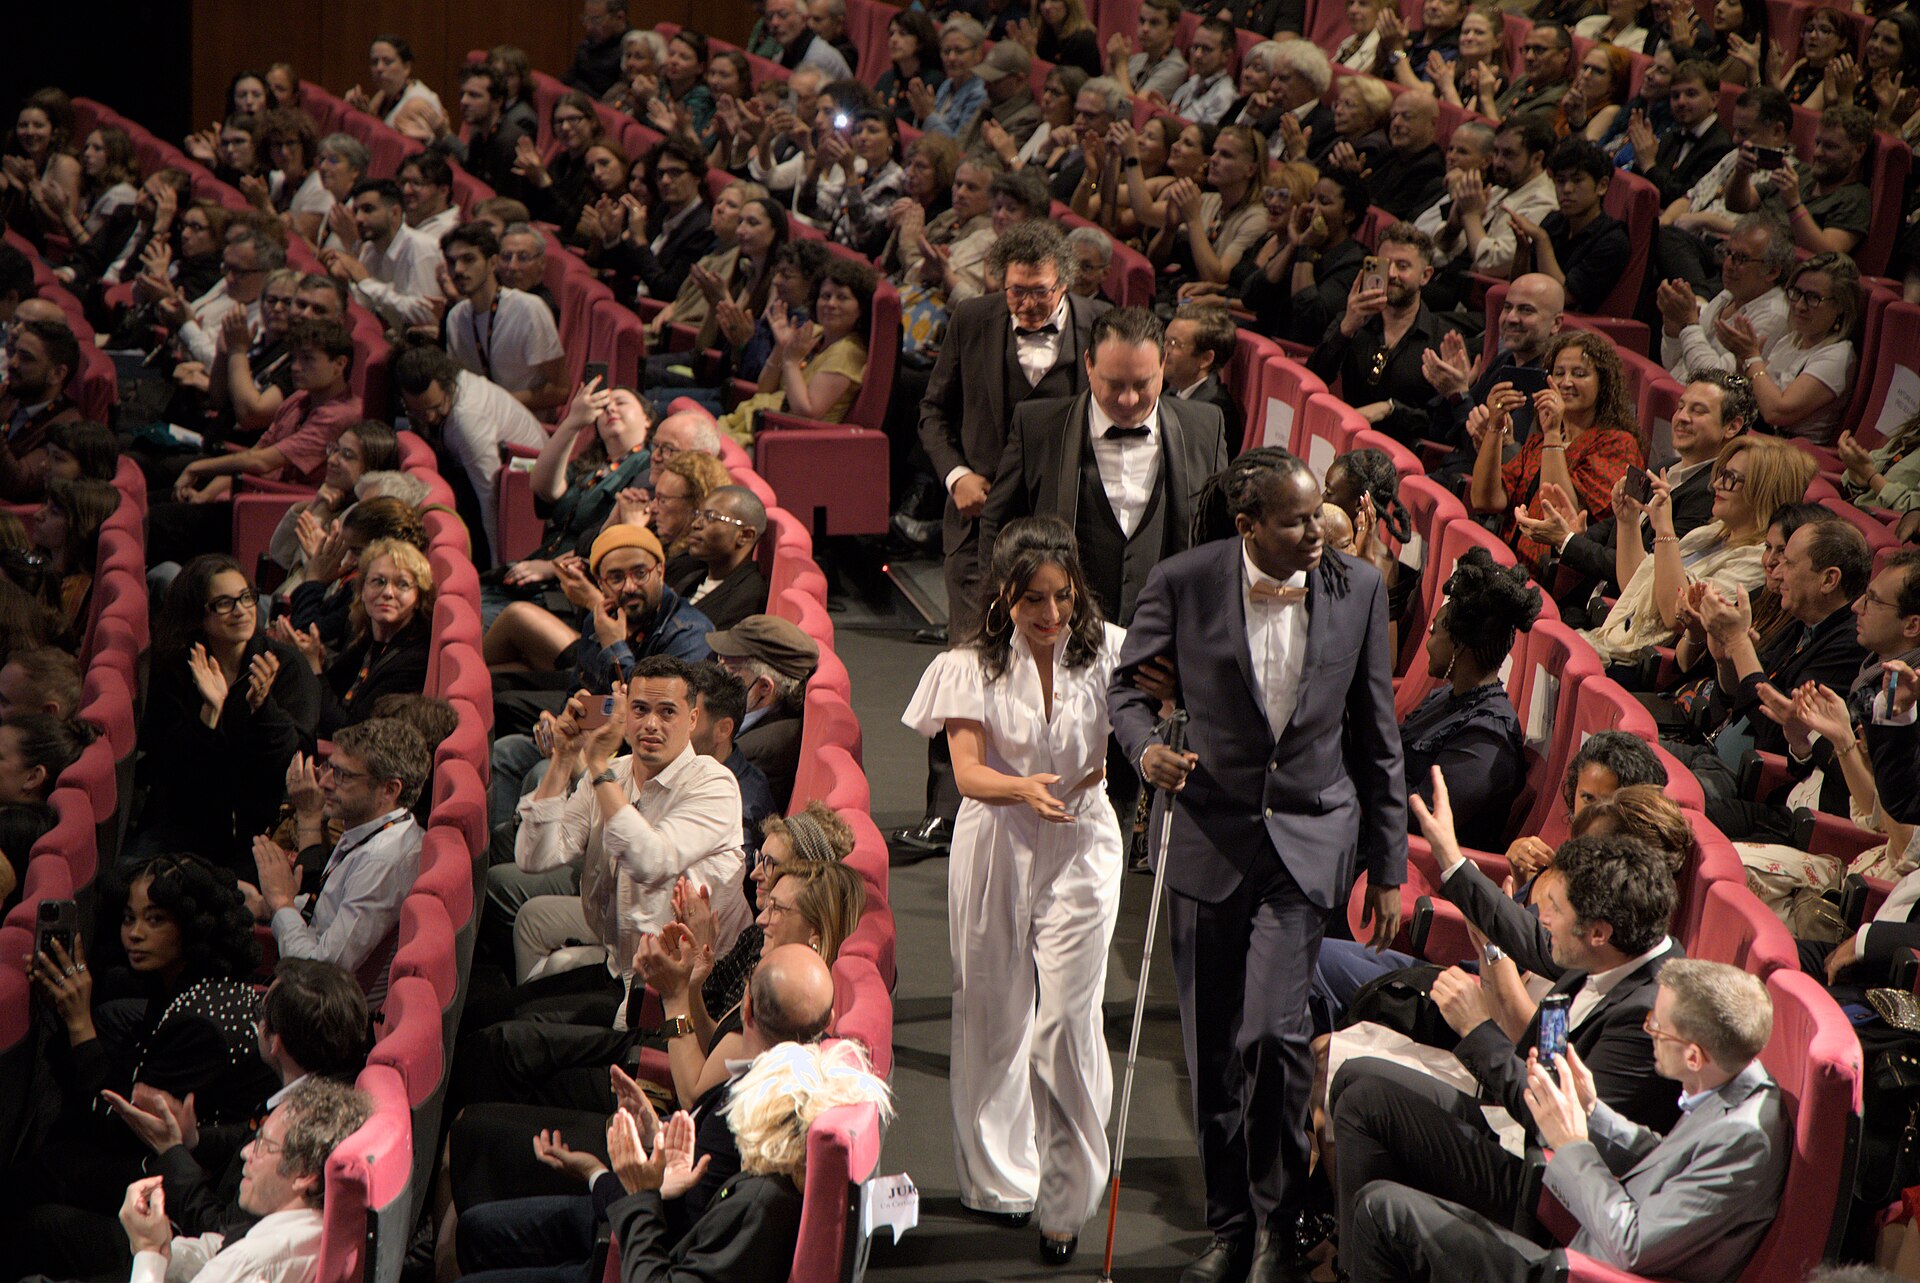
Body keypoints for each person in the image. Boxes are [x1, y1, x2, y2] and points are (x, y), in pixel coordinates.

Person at [1108, 447, 1405, 1283]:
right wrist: (1145, 751)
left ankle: (1279, 1224)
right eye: (1298, 520)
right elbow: (1125, 691)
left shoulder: (1359, 588)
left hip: (1308, 838)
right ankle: (1229, 1224)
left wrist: (1387, 865)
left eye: (1319, 516)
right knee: (1210, 1052)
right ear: (1248, 527)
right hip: (1208, 834)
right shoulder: (1184, 580)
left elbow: (1378, 737)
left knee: (1271, 1035)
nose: (1318, 532)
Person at [902, 517, 1126, 1265]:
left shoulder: (1112, 650)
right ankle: (1001, 1181)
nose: (1053, 614)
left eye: (1063, 597)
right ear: (1005, 596)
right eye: (1035, 599)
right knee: (993, 1009)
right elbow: (966, 772)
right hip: (997, 834)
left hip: (1084, 838)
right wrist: (1019, 788)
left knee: (1067, 1017)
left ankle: (1065, 1200)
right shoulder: (970, 664)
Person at [1342, 959, 1784, 1283]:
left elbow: (1632, 1244)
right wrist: (1592, 1111)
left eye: (1657, 1026)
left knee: (1382, 1210)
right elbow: (1662, 1159)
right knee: (1372, 1111)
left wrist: (1571, 1142)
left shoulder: (1745, 1139)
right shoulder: (1732, 1081)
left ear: (1694, 1055)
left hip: (1581, 1271)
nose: (1648, 1030)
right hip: (1577, 1237)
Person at [898, 221, 1109, 858]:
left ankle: (1070, 797)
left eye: (1039, 292)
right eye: (1016, 291)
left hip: (1065, 534)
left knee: (1066, 665)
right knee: (969, 658)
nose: (1026, 304)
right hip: (978, 528)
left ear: (1065, 283)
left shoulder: (1103, 325)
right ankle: (945, 809)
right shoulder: (972, 319)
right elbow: (933, 412)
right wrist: (957, 474)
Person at [19, 855, 277, 1222]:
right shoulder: (179, 987)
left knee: (41, 1175)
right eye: (129, 917)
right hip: (171, 1155)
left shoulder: (198, 1023)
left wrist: (79, 1025)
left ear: (193, 927)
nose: (135, 933)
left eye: (155, 919)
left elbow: (122, 1126)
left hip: (198, 1190)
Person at [506, 655, 749, 1024]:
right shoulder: (613, 774)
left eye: (667, 712)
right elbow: (534, 857)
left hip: (685, 993)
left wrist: (598, 765)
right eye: (640, 709)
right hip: (620, 968)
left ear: (693, 719)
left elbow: (651, 860)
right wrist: (564, 757)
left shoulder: (714, 785)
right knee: (494, 1015)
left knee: (510, 1038)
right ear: (624, 714)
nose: (651, 724)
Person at [980, 307, 1230, 629]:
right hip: (1060, 636)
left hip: (1162, 640)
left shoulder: (1205, 427)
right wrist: (1005, 614)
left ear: (1163, 365)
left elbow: (1218, 541)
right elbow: (996, 525)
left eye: (1143, 383)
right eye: (1114, 384)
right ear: (1088, 364)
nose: (1128, 400)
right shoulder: (1038, 426)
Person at [602, 1041, 891, 1282]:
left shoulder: (758, 1206)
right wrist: (665, 1193)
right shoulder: (768, 1188)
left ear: (760, 1115)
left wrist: (639, 1197)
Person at [1680, 518, 1873, 838]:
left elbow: (1773, 733)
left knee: (1650, 806)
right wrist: (1724, 654)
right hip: (1711, 753)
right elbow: (1734, 702)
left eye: (1789, 562)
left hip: (1745, 781)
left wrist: (1740, 642)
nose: (1776, 571)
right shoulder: (1804, 622)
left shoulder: (1848, 646)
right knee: (1612, 747)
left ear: (1829, 579)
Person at [133, 555, 319, 875]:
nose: (241, 610)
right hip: (186, 820)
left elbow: (295, 758)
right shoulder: (176, 668)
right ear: (197, 614)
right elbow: (168, 769)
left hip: (262, 825)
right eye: (223, 603)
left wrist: (263, 708)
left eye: (247, 597)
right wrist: (209, 712)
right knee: (129, 879)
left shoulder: (286, 666)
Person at [111, 1079, 374, 1283]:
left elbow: (234, 1260)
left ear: (304, 1176)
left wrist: (147, 1252)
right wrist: (160, 1246)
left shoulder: (253, 1262)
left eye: (263, 1144)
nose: (246, 1152)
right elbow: (220, 1249)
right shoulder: (319, 1225)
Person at [1535, 371, 1753, 615]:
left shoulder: (1713, 494)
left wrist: (1567, 541)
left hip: (1621, 614)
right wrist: (1578, 533)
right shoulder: (1664, 466)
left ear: (1732, 426)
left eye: (1698, 411)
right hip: (1587, 600)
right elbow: (1616, 524)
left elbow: (1646, 568)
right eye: (1681, 407)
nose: (1681, 417)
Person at [248, 717, 429, 1009]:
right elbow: (331, 912)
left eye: (343, 775)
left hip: (316, 1017)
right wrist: (266, 905)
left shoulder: (381, 863)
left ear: (389, 790)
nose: (325, 782)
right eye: (330, 767)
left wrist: (282, 904)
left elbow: (321, 973)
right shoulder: (371, 828)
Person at [1469, 330, 1644, 577]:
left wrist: (1552, 432)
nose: (1566, 382)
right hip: (1509, 567)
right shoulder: (1536, 443)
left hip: (1561, 578)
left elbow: (1558, 509)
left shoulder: (1616, 443)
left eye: (1579, 374)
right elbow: (1485, 500)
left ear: (1603, 384)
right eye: (1559, 373)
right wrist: (1495, 427)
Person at [1400, 549, 1542, 850]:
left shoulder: (1487, 739)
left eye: (1434, 631)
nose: (1428, 640)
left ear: (1459, 645)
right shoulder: (1446, 696)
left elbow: (1422, 820)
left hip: (1417, 867)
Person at [481, 379, 653, 627]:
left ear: (647, 419)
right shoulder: (593, 465)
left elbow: (617, 536)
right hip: (533, 573)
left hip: (568, 588)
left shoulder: (645, 469)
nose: (611, 410)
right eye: (604, 408)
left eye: (621, 403)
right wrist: (573, 423)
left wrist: (552, 567)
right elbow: (543, 487)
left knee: (475, 622)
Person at [392, 340, 547, 566]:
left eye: (435, 408)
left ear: (447, 385)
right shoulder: (450, 384)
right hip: (488, 471)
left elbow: (490, 495)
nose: (430, 418)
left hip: (525, 485)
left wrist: (498, 564)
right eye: (418, 411)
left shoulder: (468, 419)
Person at [1307, 222, 1459, 446]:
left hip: (1402, 455)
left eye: (1403, 265)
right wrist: (1345, 330)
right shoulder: (1351, 320)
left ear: (1425, 276)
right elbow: (1315, 378)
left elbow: (1441, 424)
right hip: (1344, 442)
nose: (1391, 274)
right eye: (1384, 264)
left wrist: (1391, 410)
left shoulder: (1443, 340)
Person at [714, 255, 872, 447]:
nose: (831, 304)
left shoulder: (848, 352)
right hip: (757, 423)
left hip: (784, 443)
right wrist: (781, 348)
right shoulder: (814, 332)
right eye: (825, 296)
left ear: (861, 308)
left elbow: (806, 412)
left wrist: (790, 363)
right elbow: (764, 388)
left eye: (842, 298)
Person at [290, 538, 434, 737]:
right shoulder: (367, 634)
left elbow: (349, 731)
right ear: (362, 591)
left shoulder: (413, 660)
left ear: (418, 599)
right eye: (378, 581)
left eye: (402, 584)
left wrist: (313, 667)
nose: (388, 593)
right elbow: (333, 689)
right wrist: (319, 662)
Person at [1720, 250, 1861, 446]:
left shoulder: (1838, 355)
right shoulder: (1792, 339)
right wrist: (1740, 362)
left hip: (1789, 452)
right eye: (1796, 293)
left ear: (1840, 306)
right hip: (1757, 435)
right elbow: (1753, 393)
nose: (1800, 306)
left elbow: (1775, 412)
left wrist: (1751, 357)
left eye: (1813, 298)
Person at [439, 220, 567, 417]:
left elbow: (561, 390)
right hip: (479, 420)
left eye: (468, 260)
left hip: (524, 427)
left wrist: (495, 403)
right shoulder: (457, 316)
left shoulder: (528, 309)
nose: (458, 270)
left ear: (492, 263)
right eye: (451, 262)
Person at [1240, 170, 1371, 348]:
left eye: (1323, 202)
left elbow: (1310, 320)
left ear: (1348, 215)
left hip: (1301, 357)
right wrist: (1293, 245)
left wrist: (1305, 250)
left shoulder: (1354, 263)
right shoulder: (1300, 244)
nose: (1311, 207)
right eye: (1311, 199)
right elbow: (1250, 297)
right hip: (1268, 341)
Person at [1724, 105, 1873, 259]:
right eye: (1817, 143)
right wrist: (1741, 174)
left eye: (1830, 147)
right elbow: (1738, 204)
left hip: (1771, 270)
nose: (1817, 153)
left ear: (1859, 151)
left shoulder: (1855, 198)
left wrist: (1794, 205)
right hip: (1738, 250)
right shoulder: (1800, 172)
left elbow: (1827, 254)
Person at [1657, 212, 1792, 380]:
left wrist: (1689, 323)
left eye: (1741, 258)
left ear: (1772, 271)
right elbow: (1672, 363)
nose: (1728, 264)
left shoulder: (1774, 316)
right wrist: (1673, 328)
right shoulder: (1729, 294)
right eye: (1727, 253)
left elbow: (1716, 380)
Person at [1433, 113, 1558, 287]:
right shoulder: (1499, 190)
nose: (1498, 163)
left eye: (1508, 154)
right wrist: (1454, 226)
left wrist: (1470, 216)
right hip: (1453, 281)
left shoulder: (1544, 203)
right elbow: (1443, 252)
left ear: (1537, 158)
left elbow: (1490, 264)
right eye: (1496, 152)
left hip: (1484, 301)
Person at [1510, 138, 1630, 314]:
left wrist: (1542, 240)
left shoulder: (1613, 240)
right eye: (1560, 181)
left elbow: (1561, 298)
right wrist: (1522, 252)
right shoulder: (1554, 221)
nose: (1566, 189)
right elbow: (1520, 287)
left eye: (1577, 180)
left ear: (1602, 186)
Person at [706, 614, 816, 806]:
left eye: (730, 669)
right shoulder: (753, 716)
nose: (718, 673)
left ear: (765, 687)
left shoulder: (760, 751)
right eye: (720, 661)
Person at [323, 179, 441, 332]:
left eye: (368, 210)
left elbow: (425, 314)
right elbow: (366, 305)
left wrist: (366, 282)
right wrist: (344, 282)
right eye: (356, 211)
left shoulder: (421, 247)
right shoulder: (370, 249)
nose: (358, 219)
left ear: (395, 212)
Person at [1627, 58, 1733, 207]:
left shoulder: (1720, 147)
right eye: (1675, 96)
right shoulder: (1671, 136)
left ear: (1713, 99)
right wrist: (1640, 156)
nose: (1681, 102)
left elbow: (1686, 200)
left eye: (1691, 94)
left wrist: (1648, 165)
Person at [666, 485, 769, 631]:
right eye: (697, 515)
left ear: (745, 535)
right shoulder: (692, 575)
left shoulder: (747, 597)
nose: (695, 524)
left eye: (710, 517)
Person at [0, 315, 82, 492]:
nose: (13, 363)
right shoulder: (12, 397)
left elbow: (19, 482)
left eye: (26, 358)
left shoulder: (67, 426)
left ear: (57, 374)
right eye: (14, 353)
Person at [445, 65, 532, 205]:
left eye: (474, 95)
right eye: (462, 94)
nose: (464, 102)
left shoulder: (510, 143)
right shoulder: (477, 138)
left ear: (497, 101)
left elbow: (508, 205)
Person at [1163, 306, 1242, 450]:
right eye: (1165, 340)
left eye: (1174, 344)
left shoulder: (1211, 410)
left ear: (1205, 359)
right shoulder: (1173, 392)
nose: (1163, 350)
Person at [344, 35, 444, 129]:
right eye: (374, 62)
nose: (379, 68)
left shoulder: (419, 101)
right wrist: (357, 114)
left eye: (387, 62)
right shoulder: (384, 95)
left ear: (406, 67)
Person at [921, 17, 990, 138]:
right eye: (946, 51)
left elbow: (958, 146)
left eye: (959, 51)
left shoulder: (980, 95)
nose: (951, 58)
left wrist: (929, 115)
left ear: (978, 54)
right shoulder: (947, 85)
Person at [1106, 0, 1188, 101]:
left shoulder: (1176, 67)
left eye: (1154, 23)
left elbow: (1136, 106)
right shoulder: (1138, 58)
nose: (1145, 29)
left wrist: (1120, 65)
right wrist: (1112, 60)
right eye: (1142, 20)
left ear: (1172, 29)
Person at [874, 10, 946, 124]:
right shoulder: (886, 78)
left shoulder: (933, 81)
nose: (893, 40)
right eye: (891, 33)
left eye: (902, 33)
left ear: (920, 42)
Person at [1168, 18, 1239, 125]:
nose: (1197, 55)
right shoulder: (1191, 83)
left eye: (1206, 49)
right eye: (1195, 47)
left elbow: (1203, 139)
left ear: (1226, 56)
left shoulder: (1224, 95)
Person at [567, 0, 629, 97]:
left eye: (596, 20)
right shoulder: (590, 42)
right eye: (586, 19)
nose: (589, 27)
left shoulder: (631, 51)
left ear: (619, 17)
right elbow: (571, 76)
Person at [397, 150, 458, 241]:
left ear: (443, 191)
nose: (406, 190)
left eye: (416, 183)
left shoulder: (448, 235)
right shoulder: (396, 215)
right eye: (403, 182)